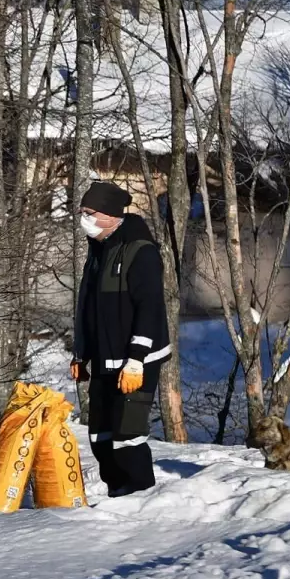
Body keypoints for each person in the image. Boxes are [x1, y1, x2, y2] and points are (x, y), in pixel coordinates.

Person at [70, 181, 172, 497]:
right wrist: (81, 353)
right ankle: (118, 493)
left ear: (113, 215)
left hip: (135, 361)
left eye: (91, 213)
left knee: (127, 434)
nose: (84, 218)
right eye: (82, 212)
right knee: (100, 434)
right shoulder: (99, 250)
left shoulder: (140, 251)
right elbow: (88, 306)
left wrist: (136, 360)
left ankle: (140, 497)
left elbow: (150, 309)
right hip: (103, 357)